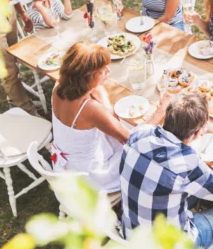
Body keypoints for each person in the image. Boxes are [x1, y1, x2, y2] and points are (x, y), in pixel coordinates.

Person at [120, 92, 213, 249]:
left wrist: (161, 108)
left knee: (187, 190)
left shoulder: (138, 134)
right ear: (199, 133)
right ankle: (198, 248)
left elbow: (149, 126)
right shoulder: (187, 163)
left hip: (131, 237)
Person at [51, 42, 169, 192]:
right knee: (148, 151)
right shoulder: (89, 109)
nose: (108, 71)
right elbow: (134, 140)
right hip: (90, 177)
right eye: (102, 70)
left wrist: (99, 93)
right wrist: (161, 111)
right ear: (87, 76)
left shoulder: (59, 86)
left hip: (68, 164)